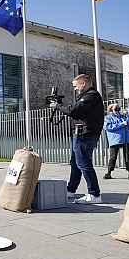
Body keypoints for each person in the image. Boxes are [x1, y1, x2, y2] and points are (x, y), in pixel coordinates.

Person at [50, 74, 105, 204]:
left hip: (85, 134)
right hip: (80, 133)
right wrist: (61, 106)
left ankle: (94, 194)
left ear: (83, 83)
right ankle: (71, 190)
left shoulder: (91, 95)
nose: (75, 89)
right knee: (75, 163)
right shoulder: (87, 96)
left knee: (83, 163)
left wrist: (57, 106)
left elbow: (73, 110)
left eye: (76, 86)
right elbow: (77, 110)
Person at [103, 103, 129, 180]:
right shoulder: (108, 118)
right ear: (111, 109)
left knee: (127, 156)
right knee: (113, 157)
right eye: (116, 107)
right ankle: (109, 172)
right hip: (115, 139)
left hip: (126, 139)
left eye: (118, 106)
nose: (118, 108)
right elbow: (108, 127)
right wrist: (121, 124)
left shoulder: (122, 116)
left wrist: (127, 115)